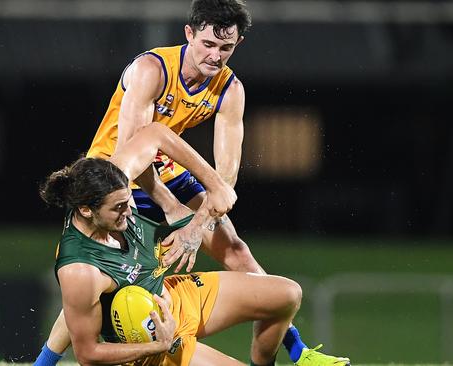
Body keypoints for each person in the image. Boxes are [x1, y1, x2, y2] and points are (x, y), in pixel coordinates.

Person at [35, 0, 350, 365]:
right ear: (189, 34)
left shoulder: (231, 90)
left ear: (238, 45)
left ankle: (297, 352)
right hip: (115, 178)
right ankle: (44, 362)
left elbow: (225, 181)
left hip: (166, 168)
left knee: (236, 250)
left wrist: (196, 224)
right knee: (94, 276)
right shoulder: (151, 69)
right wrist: (173, 208)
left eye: (225, 48)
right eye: (208, 44)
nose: (215, 56)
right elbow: (135, 147)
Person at [39, 123, 349, 366]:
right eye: (118, 208)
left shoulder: (108, 183)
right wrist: (158, 344)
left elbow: (155, 133)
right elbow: (88, 354)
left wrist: (193, 193)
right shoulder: (80, 269)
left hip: (175, 295)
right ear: (85, 210)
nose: (129, 210)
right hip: (153, 340)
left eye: (128, 200)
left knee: (287, 294)